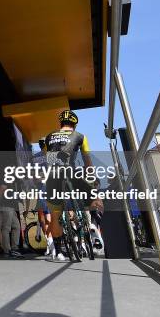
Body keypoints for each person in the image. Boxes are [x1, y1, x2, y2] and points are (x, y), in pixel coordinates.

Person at [43, 110, 103, 260]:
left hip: (53, 176)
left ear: (60, 124)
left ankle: (58, 251)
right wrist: (92, 177)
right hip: (70, 173)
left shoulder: (49, 137)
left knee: (55, 217)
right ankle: (93, 220)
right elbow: (87, 160)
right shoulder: (81, 137)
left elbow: (47, 157)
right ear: (74, 125)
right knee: (94, 197)